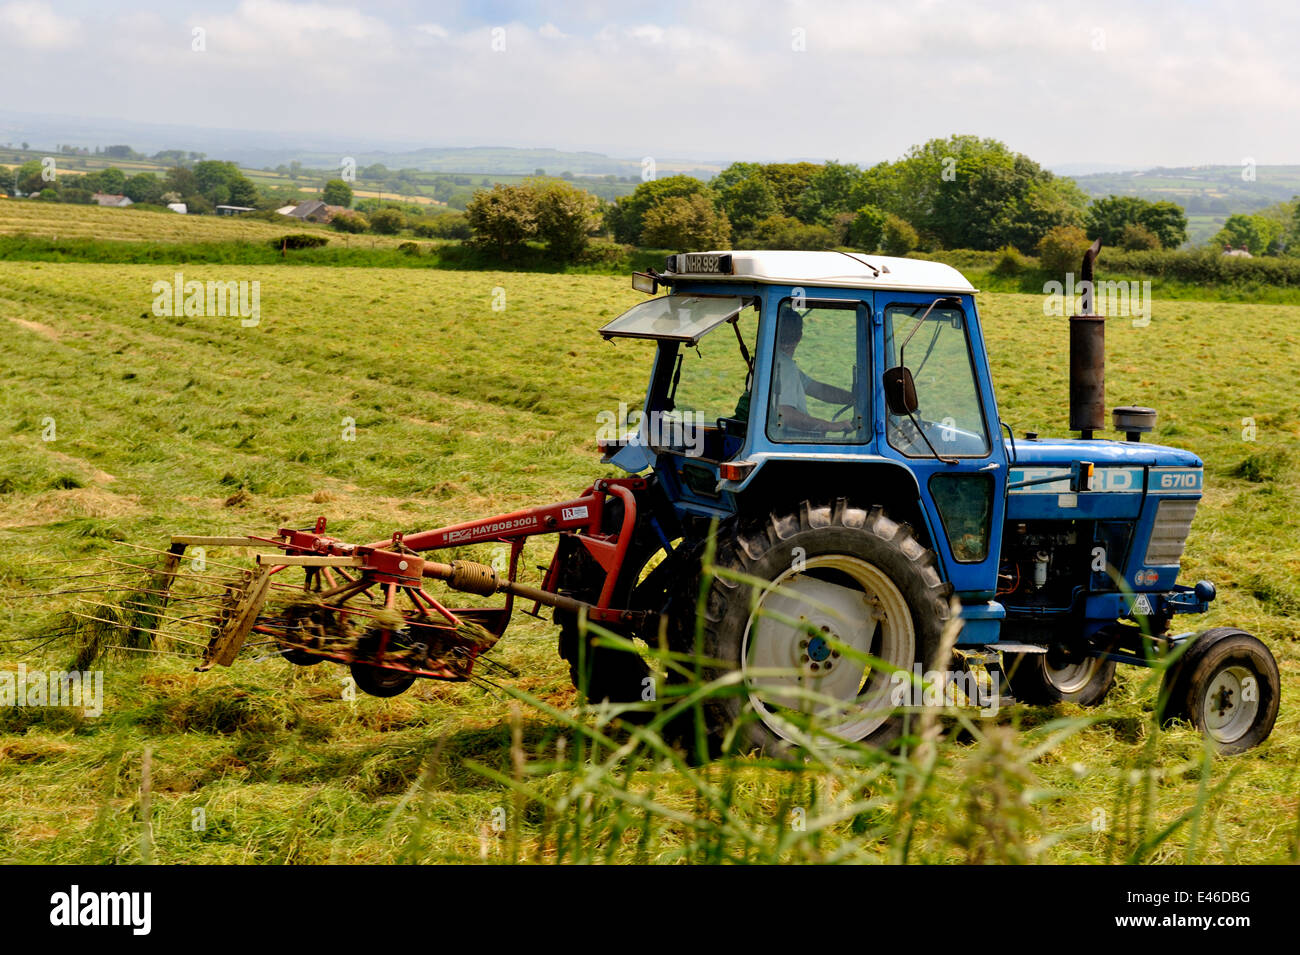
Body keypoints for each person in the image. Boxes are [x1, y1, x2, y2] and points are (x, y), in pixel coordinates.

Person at [772, 305, 855, 435]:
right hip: (785, 441)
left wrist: (852, 398)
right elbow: (785, 414)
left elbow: (818, 390)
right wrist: (831, 426)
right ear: (799, 337)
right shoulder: (783, 365)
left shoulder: (772, 362)